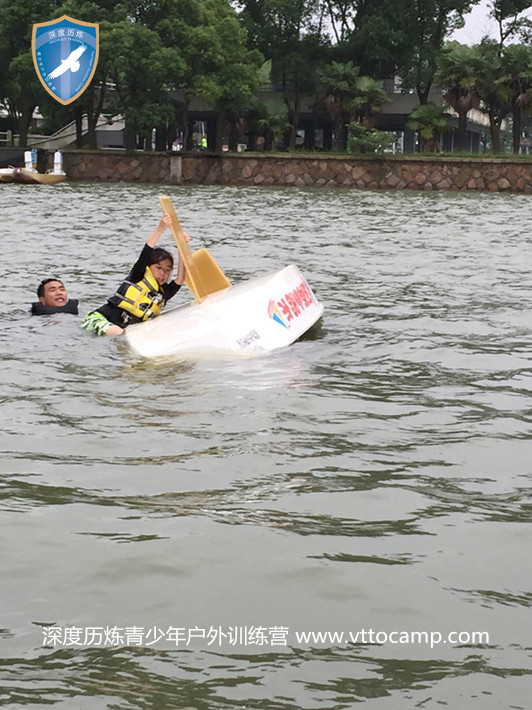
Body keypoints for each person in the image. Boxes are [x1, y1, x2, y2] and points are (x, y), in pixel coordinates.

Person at [82, 213, 187, 336]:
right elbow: (146, 251)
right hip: (99, 319)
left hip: (126, 330)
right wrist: (161, 228)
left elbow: (180, 278)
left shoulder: (164, 293)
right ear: (148, 267)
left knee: (123, 334)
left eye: (167, 270)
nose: (162, 273)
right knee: (118, 333)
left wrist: (182, 249)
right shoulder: (138, 275)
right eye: (158, 267)